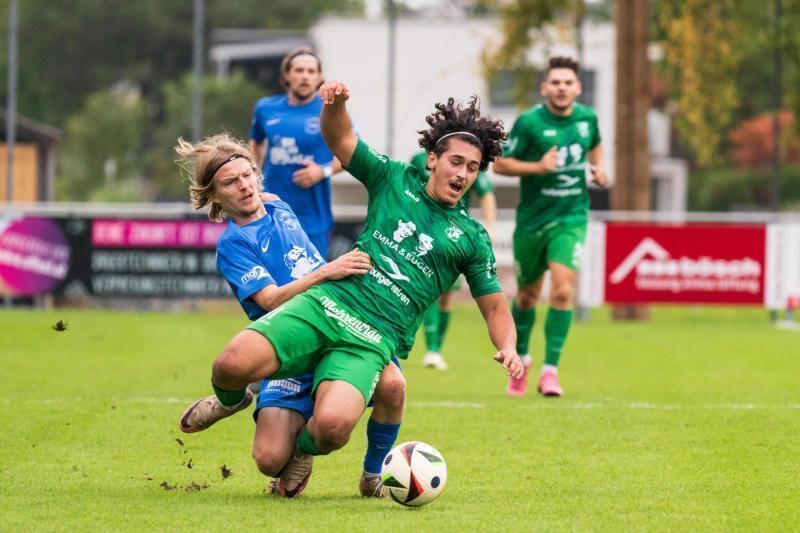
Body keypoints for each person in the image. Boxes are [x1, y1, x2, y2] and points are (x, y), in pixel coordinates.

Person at [178, 80, 523, 475]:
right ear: (432, 159)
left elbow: (495, 306)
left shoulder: (473, 238)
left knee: (332, 429)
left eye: (473, 168)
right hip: (326, 303)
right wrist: (335, 104)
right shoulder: (394, 179)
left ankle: (306, 448)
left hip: (372, 338)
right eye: (456, 162)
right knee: (228, 365)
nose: (463, 174)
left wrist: (509, 346)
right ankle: (230, 400)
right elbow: (340, 137)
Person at [175, 134, 406, 498]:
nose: (245, 185)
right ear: (214, 196)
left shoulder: (277, 204)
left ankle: (370, 473)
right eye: (230, 182)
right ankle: (232, 399)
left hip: (336, 322)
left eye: (247, 174)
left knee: (393, 386)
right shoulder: (233, 244)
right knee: (268, 459)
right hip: (290, 343)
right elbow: (270, 301)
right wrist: (327, 271)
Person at [493, 56, 609, 398]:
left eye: (568, 82)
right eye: (555, 82)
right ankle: (522, 362)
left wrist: (599, 169)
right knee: (527, 295)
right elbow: (500, 165)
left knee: (562, 290)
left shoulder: (588, 119)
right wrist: (538, 166)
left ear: (578, 88)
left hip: (571, 217)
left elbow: (596, 146)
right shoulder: (529, 123)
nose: (562, 88)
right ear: (545, 87)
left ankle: (550, 372)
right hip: (532, 220)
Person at [408, 151, 497, 370]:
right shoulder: (418, 160)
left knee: (446, 297)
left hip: (452, 235)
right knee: (430, 293)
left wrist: (490, 226)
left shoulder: (468, 165)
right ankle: (431, 350)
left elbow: (486, 193)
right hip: (424, 231)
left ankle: (436, 348)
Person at [248, 47, 339, 258]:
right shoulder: (265, 108)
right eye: (299, 70)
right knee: (272, 279)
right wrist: (253, 177)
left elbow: (352, 154)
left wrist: (322, 171)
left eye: (310, 71)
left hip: (313, 218)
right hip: (270, 210)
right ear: (286, 75)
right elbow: (256, 143)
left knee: (311, 282)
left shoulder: (330, 109)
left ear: (319, 78)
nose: (304, 76)